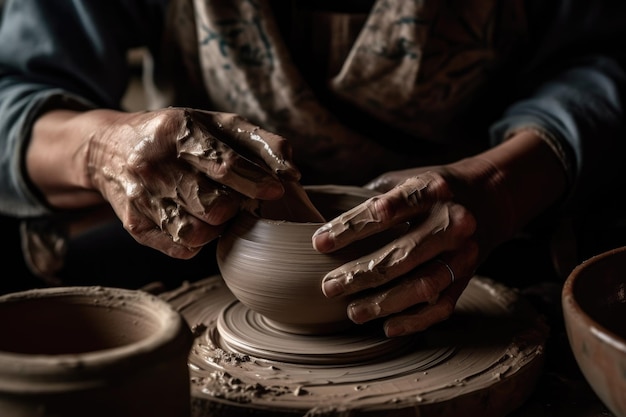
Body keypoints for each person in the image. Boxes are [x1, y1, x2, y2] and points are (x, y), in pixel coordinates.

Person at [0, 0, 625, 337]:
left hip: (473, 248)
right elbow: (16, 89)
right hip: (207, 238)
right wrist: (100, 147)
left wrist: (496, 189)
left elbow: (603, 60)